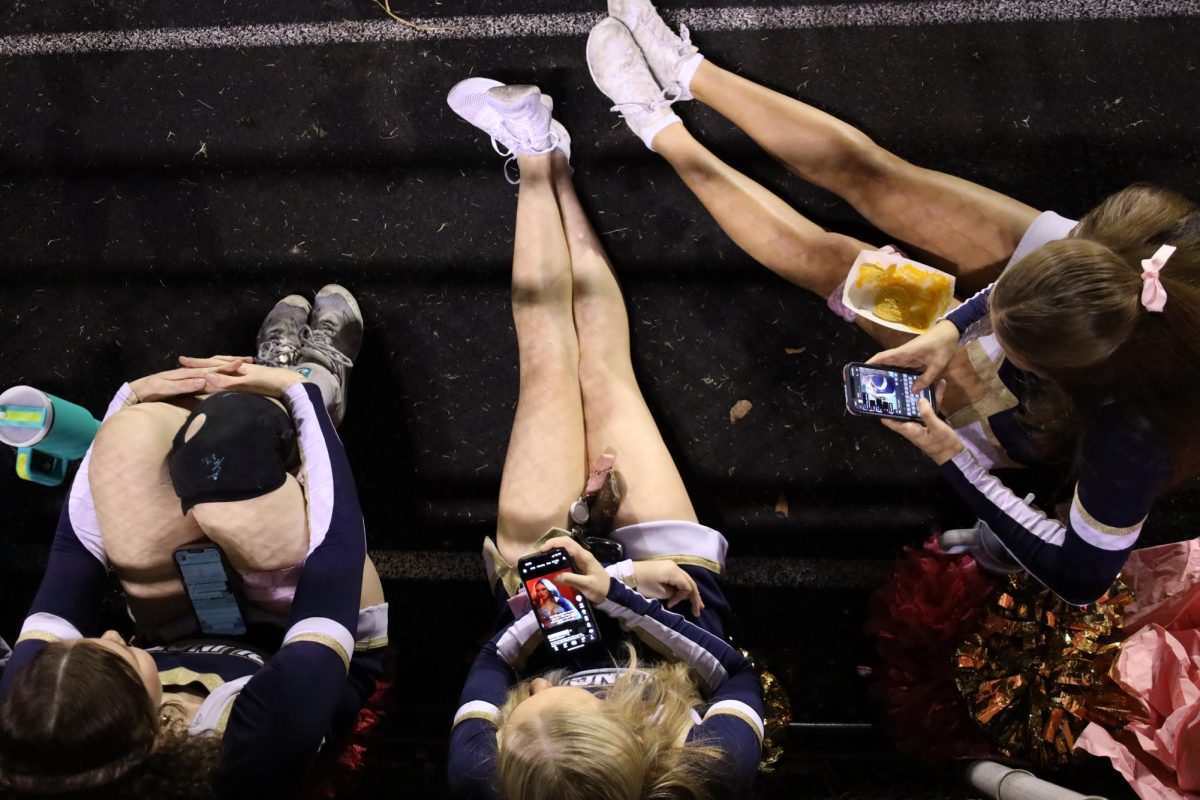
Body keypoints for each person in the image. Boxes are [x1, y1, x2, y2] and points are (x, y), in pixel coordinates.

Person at [586, 0, 1200, 606]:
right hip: (1088, 305)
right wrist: (951, 328)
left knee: (839, 262)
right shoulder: (1158, 248)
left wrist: (953, 457)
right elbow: (1038, 299)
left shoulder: (1132, 441)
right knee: (879, 176)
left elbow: (1081, 576)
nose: (974, 316)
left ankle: (659, 130)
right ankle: (687, 68)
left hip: (1037, 406)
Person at [444, 78, 764, 799]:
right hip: (668, 594)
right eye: (577, 704)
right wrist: (621, 593)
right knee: (602, 376)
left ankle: (536, 157)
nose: (530, 699)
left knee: (548, 370)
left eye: (529, 706)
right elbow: (736, 674)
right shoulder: (712, 770)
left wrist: (571, 591)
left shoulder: (478, 774)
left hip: (545, 602)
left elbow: (493, 666)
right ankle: (554, 164)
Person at [0, 288, 387, 799]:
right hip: (306, 632)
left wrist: (126, 402)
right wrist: (301, 398)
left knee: (129, 440)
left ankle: (256, 402)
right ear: (153, 734)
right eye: (116, 657)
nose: (112, 636)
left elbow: (75, 558)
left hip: (176, 627)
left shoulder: (30, 720)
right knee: (232, 445)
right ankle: (316, 378)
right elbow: (334, 553)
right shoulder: (258, 743)